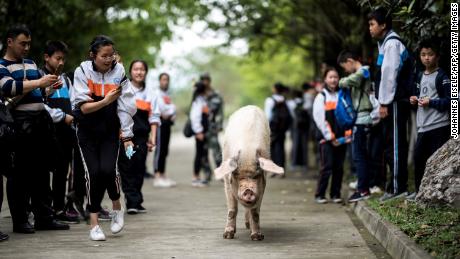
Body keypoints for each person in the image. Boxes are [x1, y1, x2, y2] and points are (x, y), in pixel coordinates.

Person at [0, 25, 69, 233]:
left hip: (40, 123)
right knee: (20, 175)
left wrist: (47, 88)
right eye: (23, 43)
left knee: (41, 172)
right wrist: (39, 81)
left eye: (29, 43)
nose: (27, 47)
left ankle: (44, 218)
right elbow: (8, 88)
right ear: (10, 42)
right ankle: (20, 220)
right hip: (19, 124)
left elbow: (36, 93)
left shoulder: (30, 63)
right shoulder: (2, 65)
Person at [71, 35, 136, 241]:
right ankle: (94, 224)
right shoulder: (82, 71)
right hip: (87, 130)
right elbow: (84, 107)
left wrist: (127, 136)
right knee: (94, 174)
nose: (109, 60)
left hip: (109, 130)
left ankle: (117, 206)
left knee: (108, 170)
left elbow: (126, 105)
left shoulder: (119, 71)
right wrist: (107, 100)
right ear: (93, 56)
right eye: (104, 56)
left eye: (111, 55)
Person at [368, 8, 412, 201]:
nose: (369, 28)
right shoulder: (385, 43)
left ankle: (397, 188)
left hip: (394, 102)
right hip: (390, 102)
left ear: (383, 25)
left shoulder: (392, 44)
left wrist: (384, 103)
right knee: (390, 144)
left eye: (372, 24)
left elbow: (389, 76)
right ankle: (393, 186)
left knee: (394, 145)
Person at [40, 40, 79, 223]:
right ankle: (42, 209)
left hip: (66, 132)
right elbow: (40, 105)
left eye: (63, 59)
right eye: (58, 58)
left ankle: (58, 208)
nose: (61, 63)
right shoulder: (39, 77)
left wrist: (70, 116)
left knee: (62, 171)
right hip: (47, 131)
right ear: (46, 58)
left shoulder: (66, 80)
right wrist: (62, 116)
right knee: (43, 171)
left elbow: (72, 102)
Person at [407, 40, 451, 200]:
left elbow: (451, 101)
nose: (426, 58)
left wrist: (431, 102)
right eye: (423, 55)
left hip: (439, 127)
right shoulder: (419, 75)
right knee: (419, 160)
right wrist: (414, 99)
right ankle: (420, 193)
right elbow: (419, 97)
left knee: (436, 162)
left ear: (437, 56)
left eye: (430, 54)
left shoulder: (442, 77)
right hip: (422, 127)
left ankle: (437, 195)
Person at [336, 50, 381, 202]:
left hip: (362, 120)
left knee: (360, 157)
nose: (345, 71)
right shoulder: (362, 72)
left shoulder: (364, 72)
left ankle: (363, 190)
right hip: (360, 119)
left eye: (345, 67)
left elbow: (344, 82)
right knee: (360, 156)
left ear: (350, 61)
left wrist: (342, 80)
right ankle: (364, 187)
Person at [119, 60, 160, 214]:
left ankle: (136, 200)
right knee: (127, 166)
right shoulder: (124, 90)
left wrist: (153, 138)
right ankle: (132, 201)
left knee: (139, 167)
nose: (139, 72)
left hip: (142, 138)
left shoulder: (151, 93)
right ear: (131, 72)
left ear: (146, 72)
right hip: (126, 138)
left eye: (142, 69)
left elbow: (154, 118)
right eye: (136, 69)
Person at [312, 67, 350, 204]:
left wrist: (346, 136)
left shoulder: (343, 95)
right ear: (325, 79)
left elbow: (348, 115)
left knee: (339, 167)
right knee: (326, 167)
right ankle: (320, 194)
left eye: (336, 77)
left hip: (342, 139)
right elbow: (320, 120)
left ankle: (335, 194)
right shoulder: (321, 97)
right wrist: (330, 137)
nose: (333, 79)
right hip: (326, 138)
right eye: (330, 77)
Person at [153, 72, 177, 188]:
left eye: (167, 80)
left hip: (167, 124)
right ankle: (157, 176)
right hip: (160, 124)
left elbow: (172, 108)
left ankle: (163, 175)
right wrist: (170, 110)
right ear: (159, 81)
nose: (165, 82)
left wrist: (171, 110)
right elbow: (162, 110)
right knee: (160, 150)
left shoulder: (166, 94)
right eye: (163, 79)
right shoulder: (157, 93)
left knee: (165, 150)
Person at [264, 82, 292, 176]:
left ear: (275, 89)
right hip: (282, 128)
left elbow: (268, 115)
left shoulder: (270, 100)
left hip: (273, 127)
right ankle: (281, 170)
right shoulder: (285, 100)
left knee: (272, 147)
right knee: (281, 147)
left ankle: (274, 170)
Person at [201, 73, 224, 182]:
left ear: (210, 81)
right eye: (203, 80)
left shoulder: (216, 94)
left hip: (212, 127)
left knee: (217, 151)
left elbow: (220, 111)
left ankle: (220, 173)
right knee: (203, 152)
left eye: (207, 80)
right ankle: (207, 173)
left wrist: (219, 125)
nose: (205, 82)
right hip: (201, 128)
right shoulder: (198, 94)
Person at [190, 81, 211, 187]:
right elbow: (195, 118)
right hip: (200, 133)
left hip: (203, 132)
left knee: (202, 154)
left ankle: (198, 176)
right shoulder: (198, 102)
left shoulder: (202, 100)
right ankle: (195, 177)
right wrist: (198, 131)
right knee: (199, 154)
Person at [287, 89, 309, 171]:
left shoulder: (291, 103)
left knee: (295, 144)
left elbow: (290, 114)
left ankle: (294, 163)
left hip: (295, 126)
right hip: (305, 127)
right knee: (304, 145)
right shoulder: (306, 103)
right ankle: (304, 164)